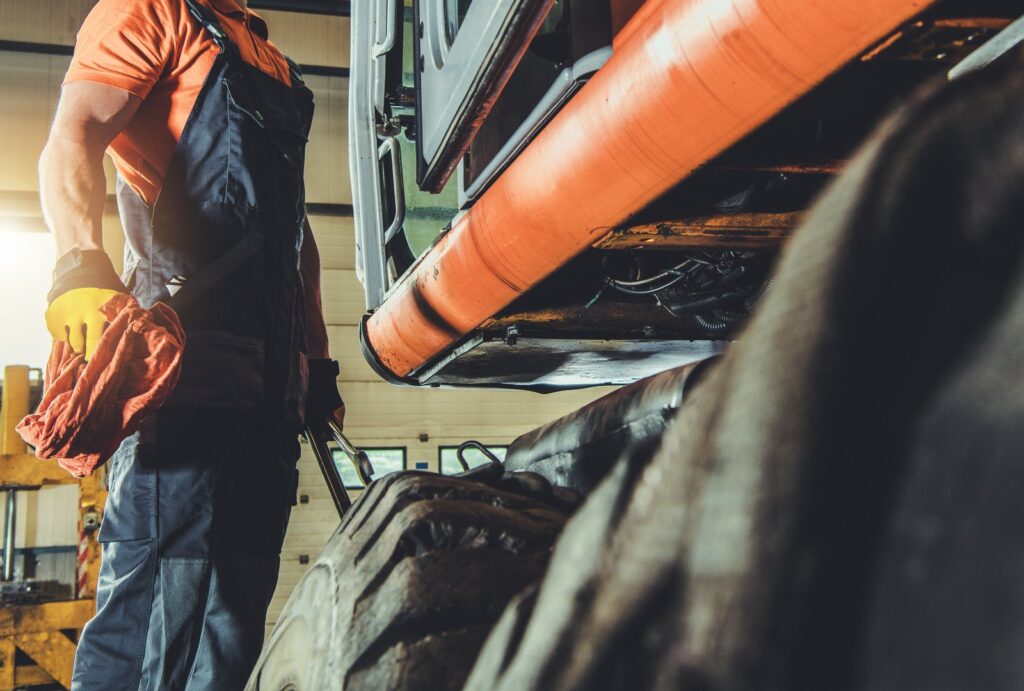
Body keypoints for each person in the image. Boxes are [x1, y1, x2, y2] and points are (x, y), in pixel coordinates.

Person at [37, 0, 345, 687]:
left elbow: (295, 235)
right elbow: (74, 134)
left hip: (271, 385)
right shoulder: (150, 11)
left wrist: (317, 361)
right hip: (185, 361)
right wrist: (78, 263)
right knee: (154, 612)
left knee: (235, 614)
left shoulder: (266, 54)